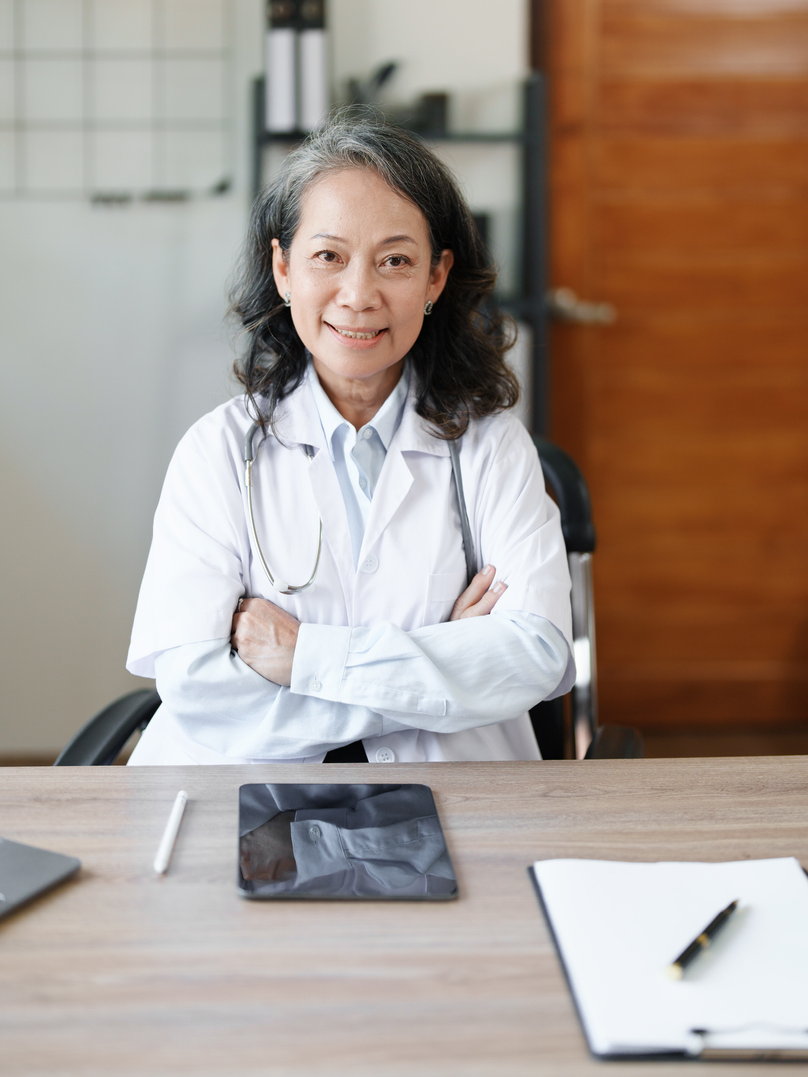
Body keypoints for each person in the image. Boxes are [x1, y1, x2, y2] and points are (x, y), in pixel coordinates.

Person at [125, 115, 574, 765]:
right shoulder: (217, 452)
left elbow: (534, 655)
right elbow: (199, 688)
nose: (359, 295)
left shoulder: (493, 447)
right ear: (283, 269)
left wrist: (304, 656)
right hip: (245, 800)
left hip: (460, 797)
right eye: (328, 257)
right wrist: (439, 662)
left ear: (435, 278)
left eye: (395, 260)